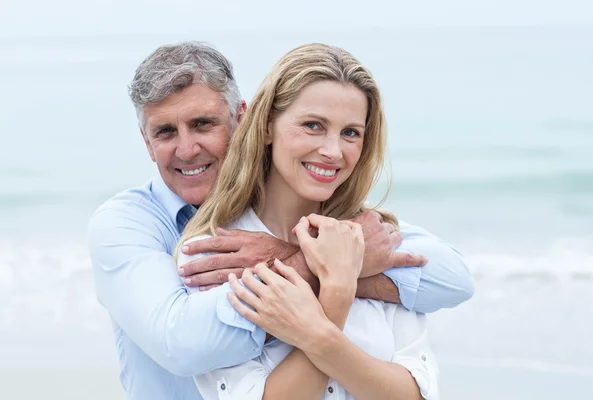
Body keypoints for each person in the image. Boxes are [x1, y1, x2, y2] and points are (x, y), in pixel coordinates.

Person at [88, 41, 474, 400]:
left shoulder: (354, 233)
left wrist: (310, 258)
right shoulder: (191, 247)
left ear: (242, 119)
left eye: (204, 124)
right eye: (166, 132)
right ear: (146, 142)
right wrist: (329, 274)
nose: (188, 149)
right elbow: (183, 343)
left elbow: (452, 279)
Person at [176, 43, 441, 400]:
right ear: (267, 125)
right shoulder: (212, 256)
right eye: (313, 125)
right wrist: (334, 294)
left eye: (350, 133)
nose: (333, 151)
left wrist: (330, 299)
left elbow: (416, 394)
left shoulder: (376, 239)